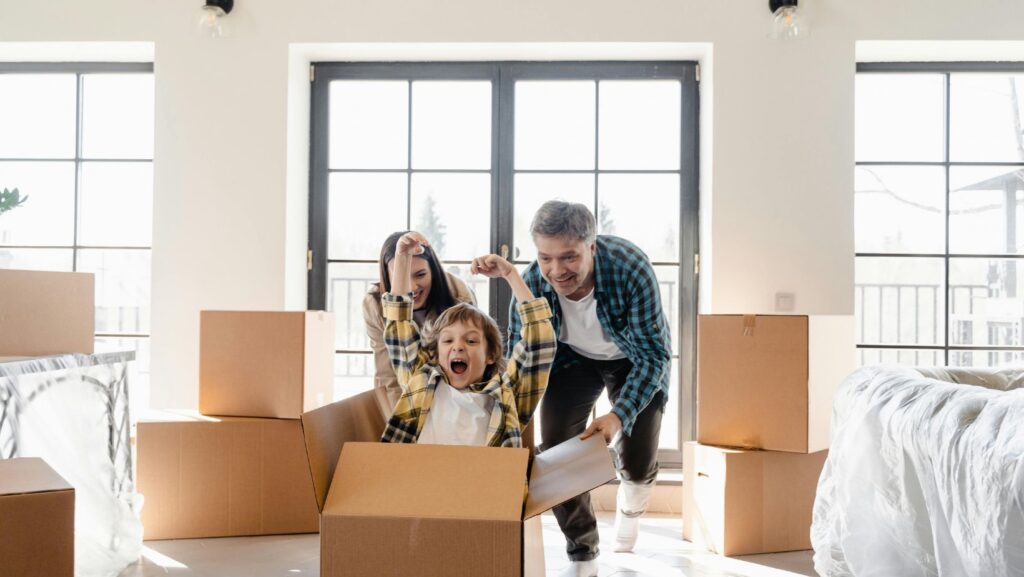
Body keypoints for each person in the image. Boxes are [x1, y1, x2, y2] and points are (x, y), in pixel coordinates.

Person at [507, 201, 671, 577]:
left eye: (569, 257)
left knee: (637, 457)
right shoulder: (533, 281)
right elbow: (520, 355)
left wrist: (618, 416)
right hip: (570, 359)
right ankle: (583, 551)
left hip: (632, 356)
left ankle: (632, 504)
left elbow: (654, 355)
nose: (556, 270)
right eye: (545, 258)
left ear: (592, 247)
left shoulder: (630, 268)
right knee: (558, 450)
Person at [379, 231, 555, 447]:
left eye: (471, 341)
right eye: (447, 341)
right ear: (435, 353)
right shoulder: (421, 382)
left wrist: (511, 274)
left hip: (482, 480)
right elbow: (399, 329)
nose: (458, 347)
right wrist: (402, 257)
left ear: (490, 355)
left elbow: (539, 345)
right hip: (423, 478)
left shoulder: (505, 394)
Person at [363, 231, 475, 420]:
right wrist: (403, 427)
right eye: (401, 275)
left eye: (420, 275)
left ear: (434, 271)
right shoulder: (374, 304)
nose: (413, 287)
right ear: (387, 276)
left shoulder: (459, 295)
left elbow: (470, 367)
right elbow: (387, 375)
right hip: (408, 389)